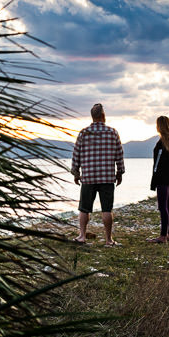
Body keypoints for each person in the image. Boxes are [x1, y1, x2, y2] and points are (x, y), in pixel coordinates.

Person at [71, 102, 124, 246]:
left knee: (84, 208)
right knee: (107, 209)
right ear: (103, 115)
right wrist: (120, 172)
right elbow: (119, 155)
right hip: (107, 177)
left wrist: (76, 172)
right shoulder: (112, 132)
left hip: (88, 177)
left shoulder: (83, 133)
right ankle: (108, 240)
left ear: (92, 116)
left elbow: (76, 155)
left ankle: (82, 236)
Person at [147, 115, 169, 244]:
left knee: (163, 206)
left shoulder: (163, 143)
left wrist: (153, 180)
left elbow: (157, 164)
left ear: (160, 126)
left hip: (162, 177)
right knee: (168, 205)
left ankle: (162, 236)